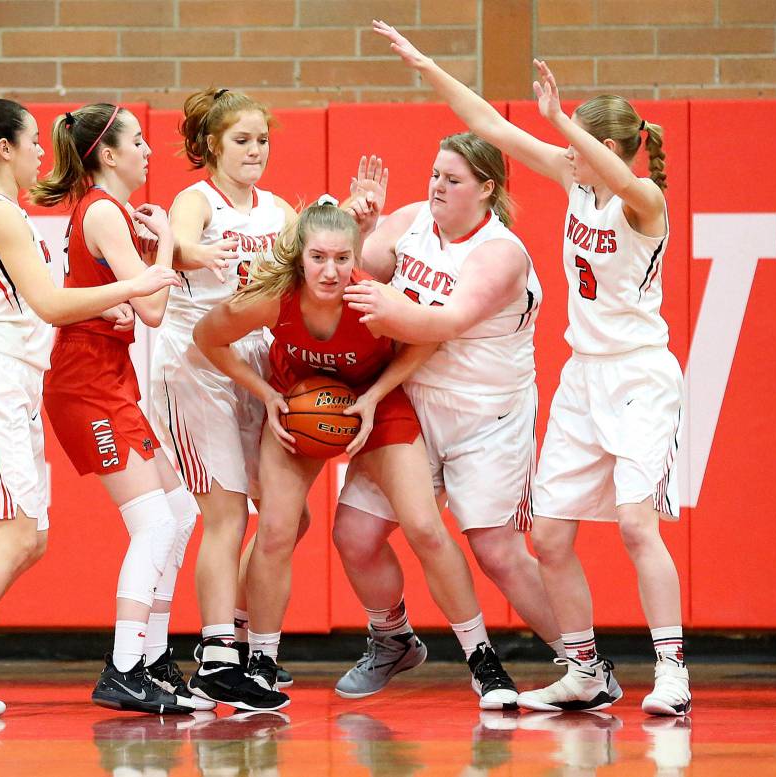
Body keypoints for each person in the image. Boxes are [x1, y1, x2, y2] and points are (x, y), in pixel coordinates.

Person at [373, 21, 690, 715]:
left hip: (640, 376)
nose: (565, 152)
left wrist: (559, 121)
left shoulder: (645, 201)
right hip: (584, 375)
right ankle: (583, 668)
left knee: (637, 524)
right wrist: (426, 64)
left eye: (579, 143)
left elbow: (614, 172)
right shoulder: (578, 181)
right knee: (547, 535)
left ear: (608, 150)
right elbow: (488, 125)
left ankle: (672, 671)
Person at [0, 98, 179, 717]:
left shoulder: (6, 213)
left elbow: (39, 307)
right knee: (17, 535)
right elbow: (51, 304)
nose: (40, 153)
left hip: (15, 385)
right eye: (30, 142)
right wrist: (132, 285)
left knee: (32, 540)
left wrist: (107, 306)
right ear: (4, 149)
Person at [193, 200, 519, 710]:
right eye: (319, 258)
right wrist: (267, 394)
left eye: (342, 258)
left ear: (355, 257)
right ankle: (261, 661)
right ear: (300, 258)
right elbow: (207, 337)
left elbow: (427, 339)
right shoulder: (275, 299)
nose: (331, 271)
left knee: (425, 527)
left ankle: (483, 659)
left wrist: (375, 396)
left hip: (373, 404)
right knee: (276, 530)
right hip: (299, 405)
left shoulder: (372, 299)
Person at [334, 133, 566, 700]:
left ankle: (583, 660)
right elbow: (345, 270)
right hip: (412, 400)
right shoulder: (412, 222)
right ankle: (392, 637)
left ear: (487, 189)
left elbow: (445, 324)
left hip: (486, 415)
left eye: (453, 179)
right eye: (435, 174)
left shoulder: (500, 253)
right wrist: (355, 228)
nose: (437, 186)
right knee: (355, 535)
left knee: (498, 552)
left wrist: (390, 306)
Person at [30, 103, 213, 714]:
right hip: (86, 383)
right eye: (137, 140)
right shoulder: (104, 210)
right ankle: (125, 666)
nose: (149, 149)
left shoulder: (108, 212)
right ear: (108, 155)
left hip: (108, 377)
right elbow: (153, 308)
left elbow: (134, 293)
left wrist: (171, 249)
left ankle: (153, 659)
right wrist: (166, 247)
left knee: (181, 513)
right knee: (155, 523)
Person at [148, 87, 305, 711]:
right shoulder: (198, 199)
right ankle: (217, 658)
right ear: (213, 145)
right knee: (227, 514)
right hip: (196, 365)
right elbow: (178, 242)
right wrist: (198, 251)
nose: (255, 150)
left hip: (256, 364)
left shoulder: (277, 210)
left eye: (262, 140)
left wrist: (355, 217)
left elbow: (313, 257)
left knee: (289, 519)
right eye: (242, 140)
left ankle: (239, 642)